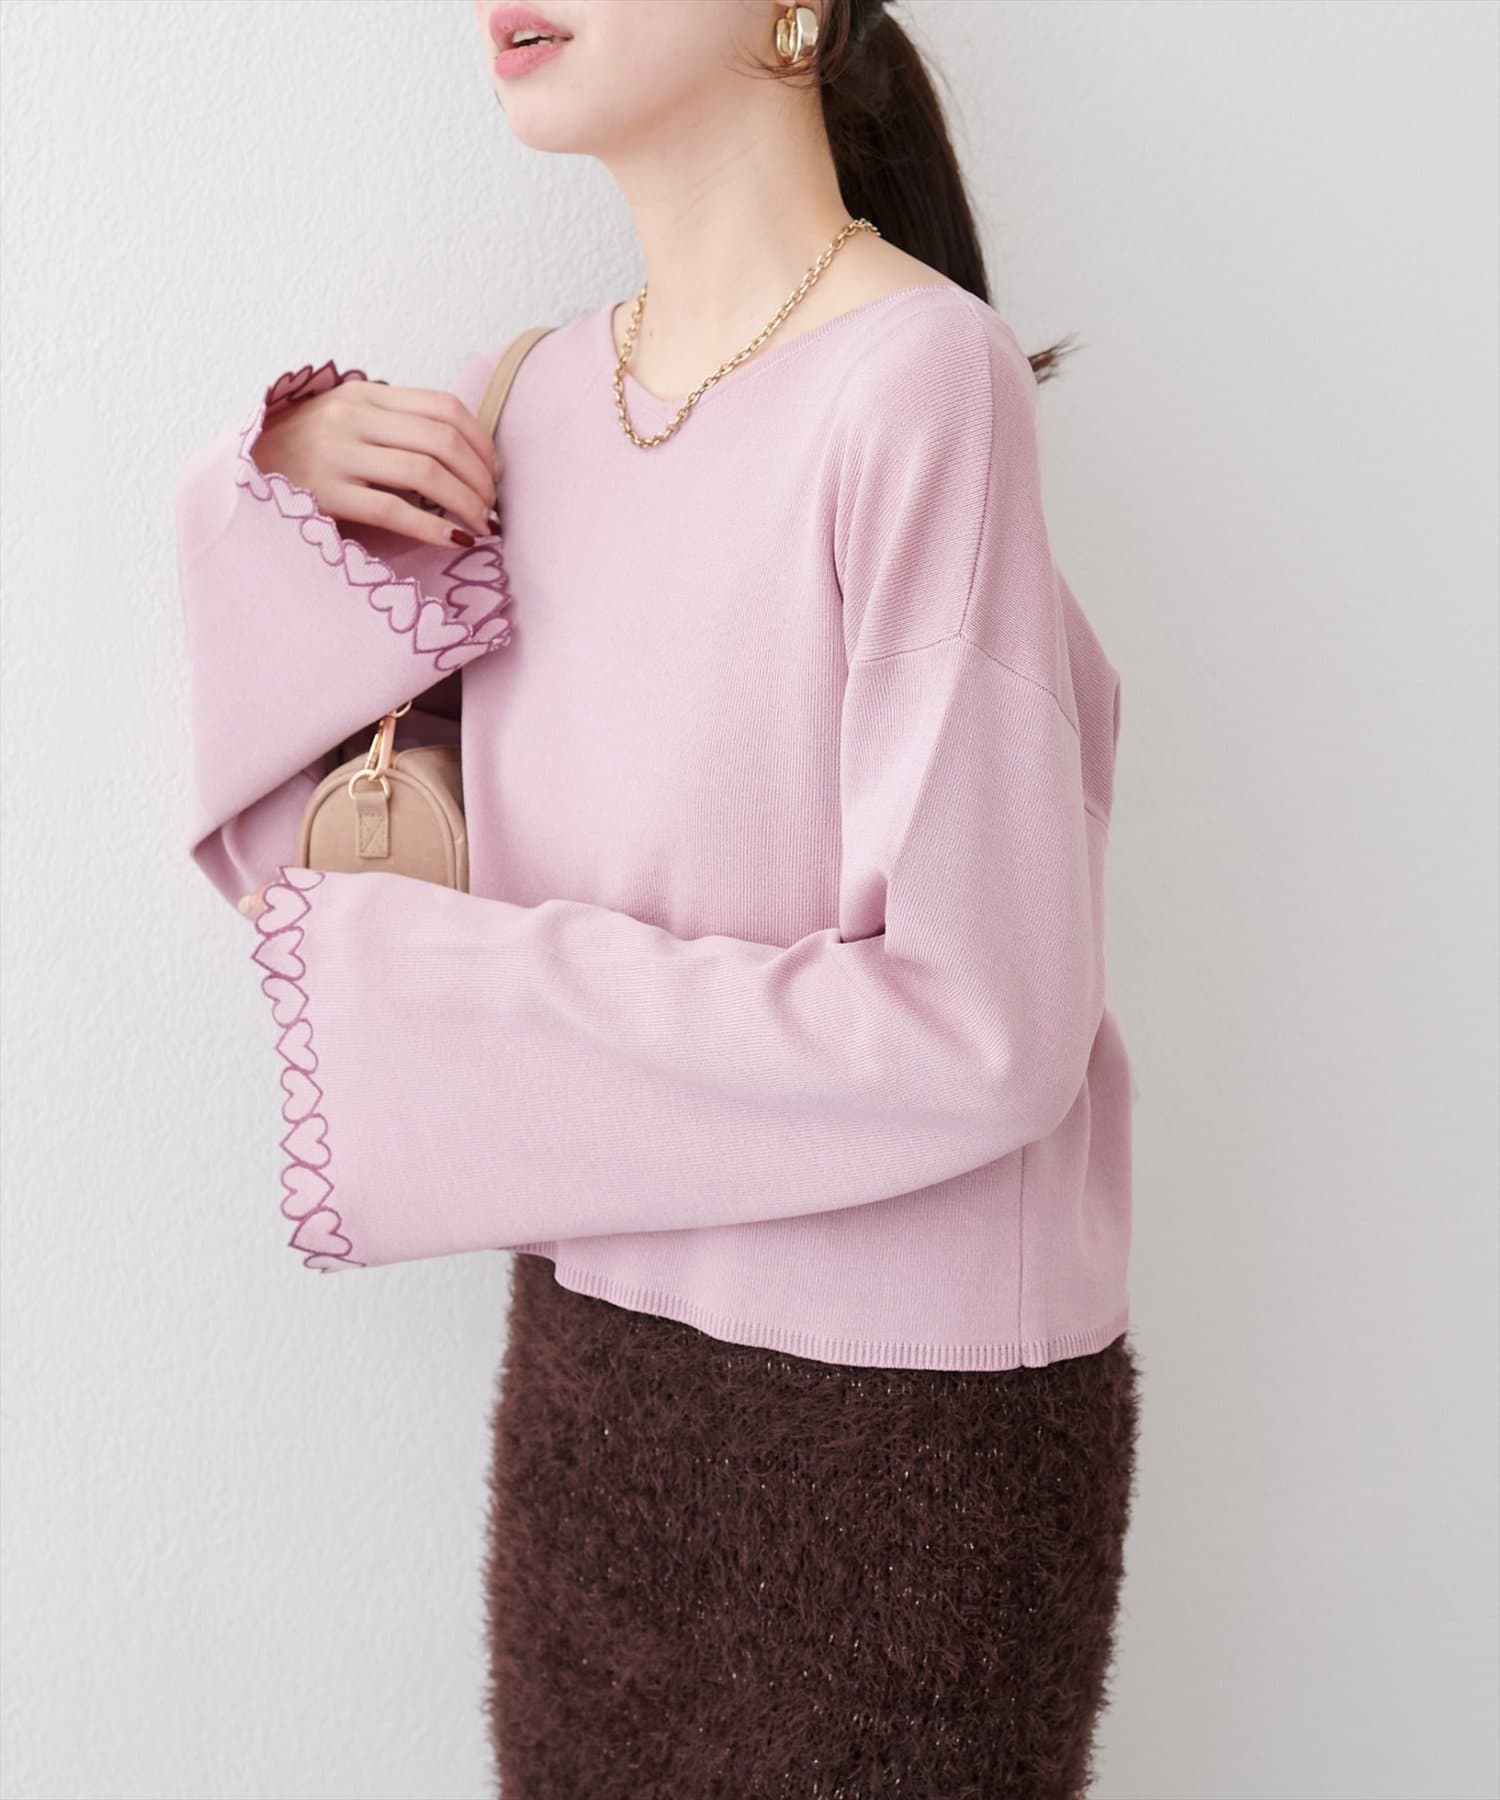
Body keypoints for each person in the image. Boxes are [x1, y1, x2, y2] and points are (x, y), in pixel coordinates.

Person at [174, 2, 1142, 1793]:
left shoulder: (920, 376)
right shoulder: (522, 400)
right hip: (597, 1363)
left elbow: (987, 1024)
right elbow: (317, 870)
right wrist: (281, 500)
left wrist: (469, 1020)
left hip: (900, 1429)